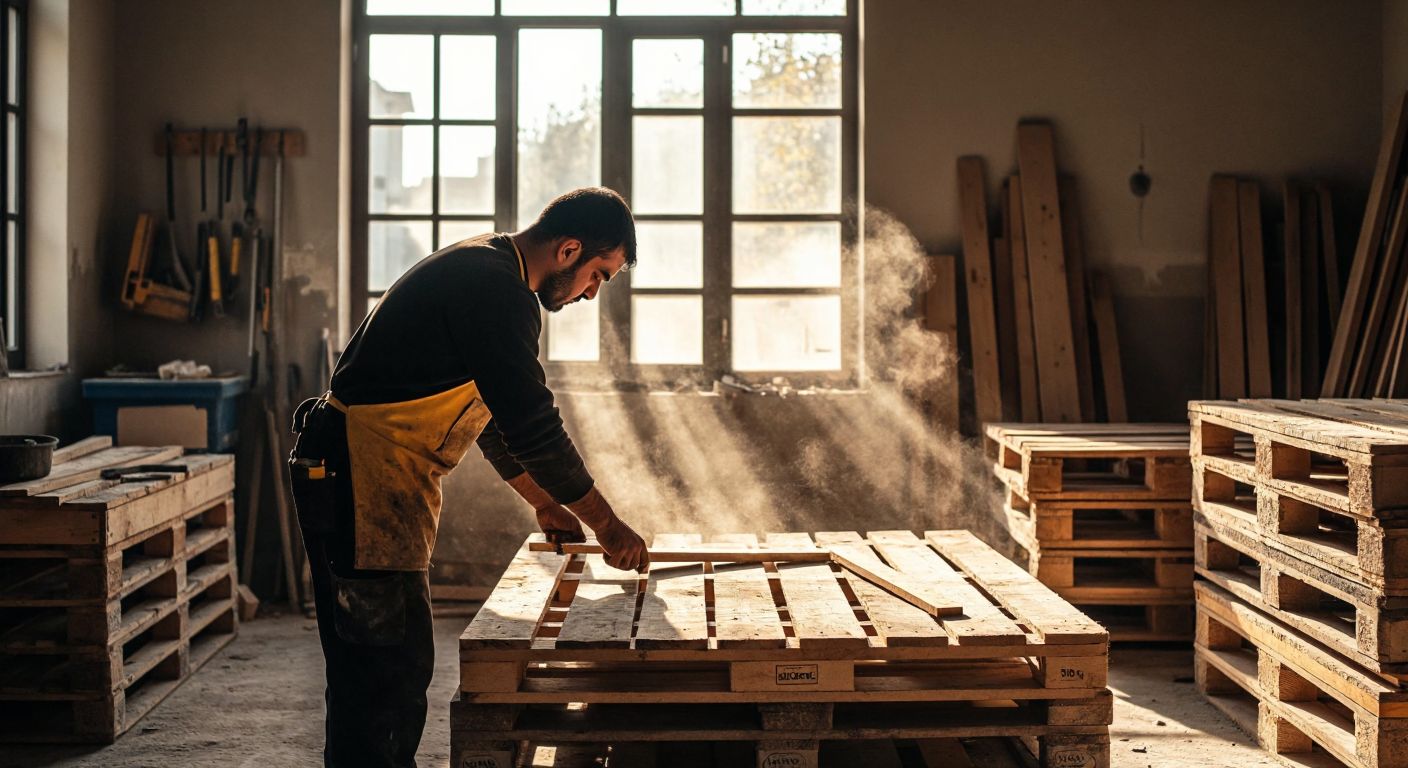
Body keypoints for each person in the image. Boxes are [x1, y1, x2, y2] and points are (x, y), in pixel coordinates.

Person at [286, 187, 650, 768]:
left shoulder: (494, 271)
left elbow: (488, 419)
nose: (592, 293)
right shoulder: (493, 287)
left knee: (389, 664)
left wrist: (543, 503)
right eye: (598, 275)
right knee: (381, 671)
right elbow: (534, 426)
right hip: (357, 479)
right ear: (570, 249)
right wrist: (607, 525)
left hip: (374, 479)